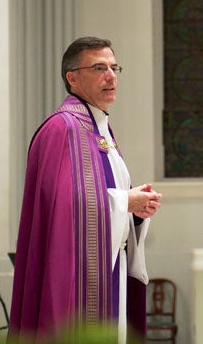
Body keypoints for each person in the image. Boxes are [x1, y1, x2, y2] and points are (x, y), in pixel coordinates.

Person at [9, 37, 162, 343]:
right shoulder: (62, 128)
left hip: (110, 269)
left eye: (114, 67)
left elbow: (97, 197)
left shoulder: (100, 129)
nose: (111, 76)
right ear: (73, 77)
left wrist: (135, 212)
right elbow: (64, 209)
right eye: (99, 67)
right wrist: (125, 201)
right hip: (75, 279)